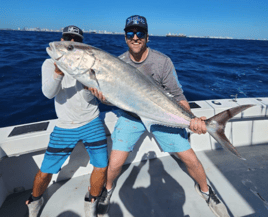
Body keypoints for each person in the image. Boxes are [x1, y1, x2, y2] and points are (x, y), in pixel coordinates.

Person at [91, 15, 230, 217]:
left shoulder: (162, 61)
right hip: (131, 117)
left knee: (190, 159)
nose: (135, 37)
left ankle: (206, 191)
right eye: (130, 33)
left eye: (140, 33)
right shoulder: (117, 63)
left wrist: (192, 120)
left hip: (161, 116)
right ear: (125, 37)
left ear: (148, 37)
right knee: (114, 163)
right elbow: (113, 99)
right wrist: (103, 98)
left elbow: (177, 95)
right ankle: (108, 190)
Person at [25, 25, 108, 217]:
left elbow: (91, 98)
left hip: (91, 120)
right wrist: (58, 72)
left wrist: (90, 90)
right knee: (45, 172)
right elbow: (48, 93)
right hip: (65, 126)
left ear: (82, 46)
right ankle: (35, 201)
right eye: (67, 39)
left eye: (76, 41)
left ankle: (91, 202)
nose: (70, 42)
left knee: (101, 166)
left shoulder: (89, 65)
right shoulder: (48, 64)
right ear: (61, 40)